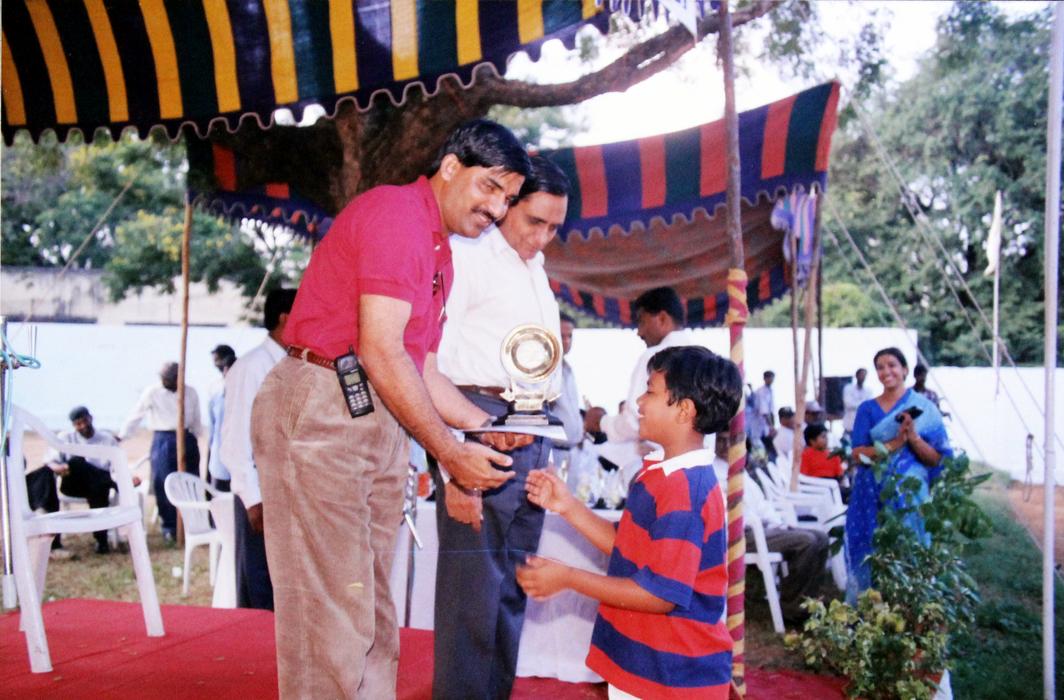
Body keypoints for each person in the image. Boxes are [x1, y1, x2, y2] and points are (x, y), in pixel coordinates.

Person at [249, 120, 531, 699]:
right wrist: (450, 453)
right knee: (330, 617)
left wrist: (485, 426)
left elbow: (420, 368)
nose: (498, 209)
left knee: (372, 612)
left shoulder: (440, 251)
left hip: (377, 414)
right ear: (450, 166)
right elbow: (380, 350)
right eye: (491, 187)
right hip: (324, 404)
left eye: (508, 199)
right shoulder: (396, 214)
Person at [518, 346, 742, 699]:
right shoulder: (659, 473)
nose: (639, 401)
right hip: (644, 665)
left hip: (672, 677)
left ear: (684, 410)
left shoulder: (687, 490)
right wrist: (567, 505)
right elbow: (627, 545)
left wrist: (569, 577)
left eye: (650, 391)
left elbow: (658, 594)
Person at [431, 154, 569, 699]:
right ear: (506, 203)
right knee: (472, 597)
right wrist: (452, 460)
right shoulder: (467, 256)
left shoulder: (533, 267)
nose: (542, 237)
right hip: (477, 423)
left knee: (511, 592)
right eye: (534, 221)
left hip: (532, 430)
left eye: (554, 227)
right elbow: (430, 363)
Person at [845, 347, 953, 597]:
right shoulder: (867, 409)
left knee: (910, 551)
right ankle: (871, 608)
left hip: (911, 493)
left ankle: (912, 605)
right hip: (872, 492)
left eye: (892, 365)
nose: (886, 371)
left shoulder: (924, 408)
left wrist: (912, 438)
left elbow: (937, 459)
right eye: (880, 367)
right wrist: (894, 444)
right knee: (872, 554)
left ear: (905, 370)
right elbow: (858, 454)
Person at [219, 288, 297, 611]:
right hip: (260, 495)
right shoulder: (252, 367)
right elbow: (235, 440)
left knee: (284, 592)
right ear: (285, 318)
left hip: (289, 490)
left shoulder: (294, 364)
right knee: (259, 591)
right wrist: (253, 499)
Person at [585, 286, 696, 484]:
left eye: (642, 322)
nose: (639, 332)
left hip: (663, 472)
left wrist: (601, 422)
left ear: (662, 319)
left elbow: (634, 420)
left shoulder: (655, 357)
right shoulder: (702, 356)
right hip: (694, 469)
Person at [719, 434, 829, 625]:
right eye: (721, 440)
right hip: (740, 534)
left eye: (731, 440)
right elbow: (726, 512)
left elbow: (762, 504)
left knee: (821, 537)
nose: (726, 445)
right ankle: (793, 608)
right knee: (807, 541)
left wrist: (777, 523)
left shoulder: (739, 469)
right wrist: (758, 522)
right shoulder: (714, 470)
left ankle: (809, 601)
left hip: (763, 529)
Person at [120, 362, 202, 542]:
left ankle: (191, 524)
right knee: (163, 482)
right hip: (163, 439)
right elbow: (136, 415)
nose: (164, 381)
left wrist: (194, 438)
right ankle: (170, 527)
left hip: (186, 437)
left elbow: (196, 419)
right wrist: (122, 436)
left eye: (168, 378)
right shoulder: (153, 392)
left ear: (178, 378)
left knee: (190, 482)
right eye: (162, 378)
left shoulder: (190, 392)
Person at [24, 406, 123, 554]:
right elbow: (51, 461)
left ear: (90, 418)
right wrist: (59, 467)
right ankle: (42, 512)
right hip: (74, 483)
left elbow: (116, 468)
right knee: (69, 464)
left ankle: (101, 541)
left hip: (98, 485)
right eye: (78, 424)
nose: (83, 426)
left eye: (85, 421)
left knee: (98, 485)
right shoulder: (66, 437)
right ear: (73, 425)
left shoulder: (107, 439)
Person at [207, 345, 236, 492]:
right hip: (220, 460)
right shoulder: (216, 391)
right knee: (218, 497)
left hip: (242, 463)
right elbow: (212, 428)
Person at [842, 368, 872, 442]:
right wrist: (863, 404)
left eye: (864, 375)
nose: (863, 377)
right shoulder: (848, 388)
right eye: (861, 375)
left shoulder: (868, 390)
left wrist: (860, 404)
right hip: (850, 426)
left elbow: (869, 406)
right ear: (856, 376)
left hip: (863, 427)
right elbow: (848, 404)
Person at [755, 371, 777, 460]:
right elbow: (764, 412)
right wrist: (771, 426)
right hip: (760, 426)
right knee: (763, 454)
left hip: (767, 427)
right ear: (765, 378)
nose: (771, 380)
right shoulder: (761, 392)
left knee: (769, 452)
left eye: (772, 378)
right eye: (769, 378)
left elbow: (771, 410)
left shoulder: (770, 390)